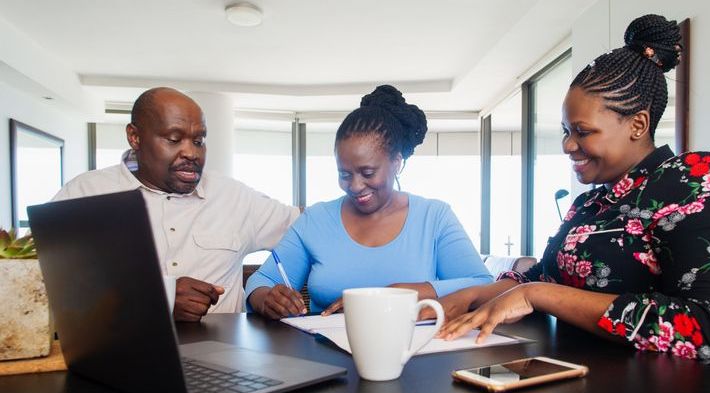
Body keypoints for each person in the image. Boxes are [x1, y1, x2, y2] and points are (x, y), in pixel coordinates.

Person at [427, 14, 710, 363]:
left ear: (638, 124)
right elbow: (542, 276)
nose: (568, 145)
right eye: (567, 131)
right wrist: (475, 294)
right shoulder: (591, 203)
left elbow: (707, 327)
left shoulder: (694, 181)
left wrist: (538, 295)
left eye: (582, 132)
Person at [245, 85, 493, 319]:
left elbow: (482, 284)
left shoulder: (434, 217)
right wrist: (267, 297)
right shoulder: (316, 220)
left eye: (367, 173)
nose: (354, 186)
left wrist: (400, 293)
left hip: (412, 353)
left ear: (396, 162)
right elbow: (261, 280)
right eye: (344, 174)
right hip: (325, 357)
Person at [53, 87, 299, 321]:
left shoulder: (235, 197)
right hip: (121, 356)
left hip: (224, 356)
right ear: (135, 137)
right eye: (174, 139)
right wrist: (159, 301)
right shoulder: (83, 194)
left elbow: (312, 225)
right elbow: (43, 288)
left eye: (199, 141)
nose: (191, 153)